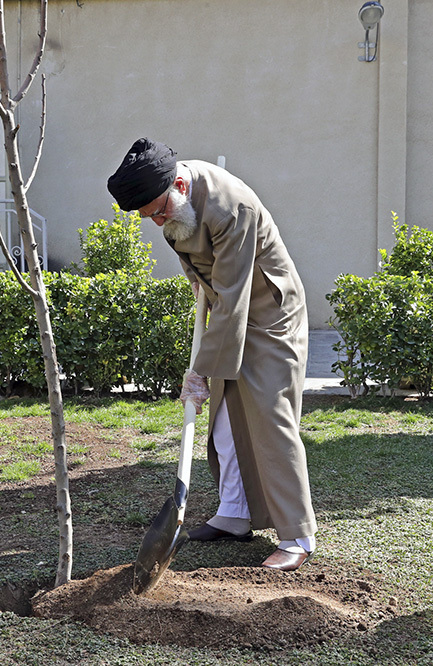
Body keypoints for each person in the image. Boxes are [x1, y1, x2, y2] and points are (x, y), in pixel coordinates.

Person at [107, 138, 317, 571]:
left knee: (270, 415)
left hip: (269, 314)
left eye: (159, 210)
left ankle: (297, 534)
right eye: (148, 217)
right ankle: (235, 514)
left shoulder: (230, 208)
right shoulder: (172, 204)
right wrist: (196, 282)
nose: (157, 220)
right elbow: (206, 274)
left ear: (179, 183)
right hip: (227, 307)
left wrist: (200, 371)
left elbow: (235, 297)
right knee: (223, 417)